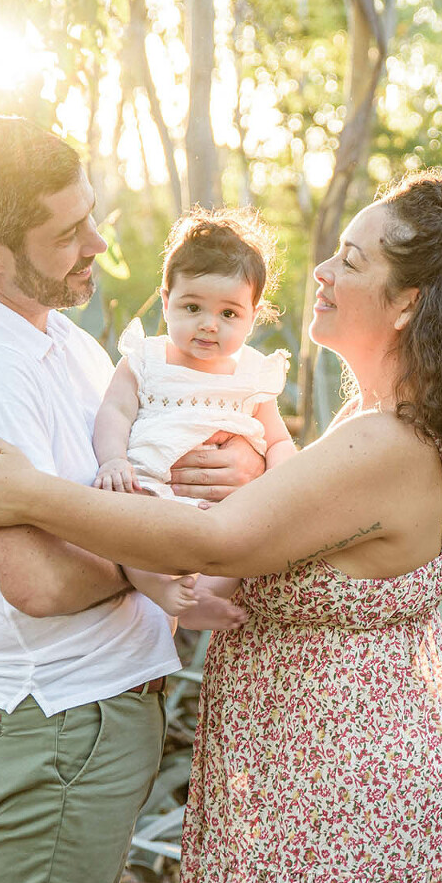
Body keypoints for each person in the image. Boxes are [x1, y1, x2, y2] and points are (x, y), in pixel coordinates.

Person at [0, 169, 442, 883]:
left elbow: (215, 543)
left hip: (339, 792)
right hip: (315, 775)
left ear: (409, 304)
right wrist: (259, 480)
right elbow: (296, 523)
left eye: (353, 262)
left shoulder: (384, 441)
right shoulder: (374, 422)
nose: (322, 275)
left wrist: (30, 495)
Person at [0, 115, 266, 883]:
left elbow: (135, 476)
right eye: (68, 233)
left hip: (91, 715)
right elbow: (36, 581)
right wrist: (157, 558)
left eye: (91, 215)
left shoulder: (58, 338)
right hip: (57, 722)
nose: (98, 243)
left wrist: (233, 472)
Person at [93, 208, 296, 617]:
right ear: (166, 302)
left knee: (239, 551)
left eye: (228, 314)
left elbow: (277, 440)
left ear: (252, 317)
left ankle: (205, 597)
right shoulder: (146, 359)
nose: (208, 325)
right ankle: (162, 592)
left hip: (223, 510)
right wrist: (114, 459)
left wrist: (280, 486)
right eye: (192, 308)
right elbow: (114, 412)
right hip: (149, 490)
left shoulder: (254, 374)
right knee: (130, 535)